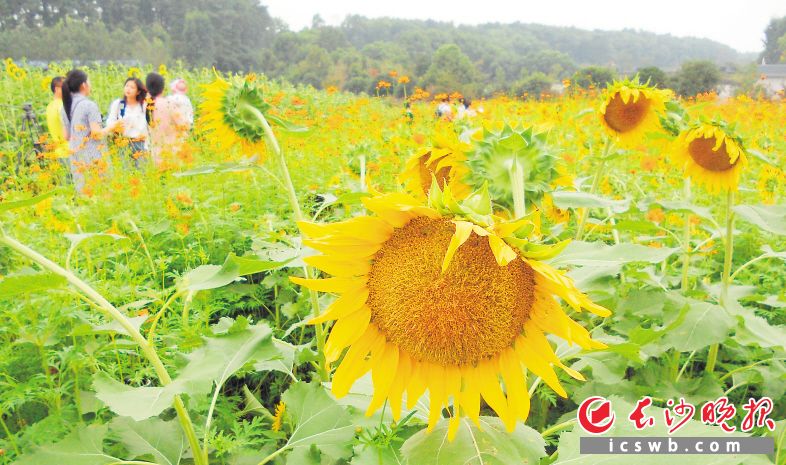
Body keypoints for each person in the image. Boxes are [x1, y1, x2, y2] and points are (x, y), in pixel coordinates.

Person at [61, 69, 122, 192]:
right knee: (102, 193)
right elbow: (97, 134)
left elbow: (66, 136)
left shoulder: (65, 106)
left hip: (77, 158)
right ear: (84, 85)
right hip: (94, 157)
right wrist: (113, 126)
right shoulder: (89, 105)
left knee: (85, 195)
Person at [107, 77, 149, 168]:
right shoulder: (119, 104)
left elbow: (149, 125)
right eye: (127, 86)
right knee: (125, 170)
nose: (128, 89)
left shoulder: (143, 105)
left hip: (140, 143)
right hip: (123, 142)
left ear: (138, 91)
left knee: (141, 171)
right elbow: (110, 120)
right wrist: (115, 126)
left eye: (132, 87)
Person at [145, 72, 177, 164]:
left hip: (155, 154)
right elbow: (183, 125)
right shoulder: (168, 103)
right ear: (163, 88)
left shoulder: (145, 105)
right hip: (172, 151)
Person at [45, 76, 69, 161]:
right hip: (69, 151)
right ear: (57, 89)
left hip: (59, 152)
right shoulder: (62, 106)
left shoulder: (49, 106)